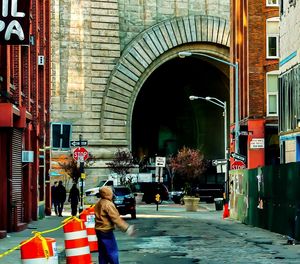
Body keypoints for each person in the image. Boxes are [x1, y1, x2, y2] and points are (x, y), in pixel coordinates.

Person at [94, 186, 135, 264]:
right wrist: (127, 228)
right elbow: (116, 218)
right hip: (106, 231)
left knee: (103, 252)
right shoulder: (108, 204)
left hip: (98, 230)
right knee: (112, 251)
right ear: (109, 193)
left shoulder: (99, 203)